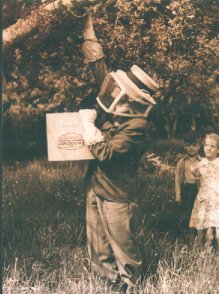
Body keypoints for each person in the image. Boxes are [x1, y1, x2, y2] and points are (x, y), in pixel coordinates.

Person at [80, 14, 159, 292]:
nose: (114, 90)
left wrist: (88, 125)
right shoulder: (116, 104)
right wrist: (89, 35)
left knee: (121, 240)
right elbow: (99, 69)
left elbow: (106, 153)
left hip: (117, 191)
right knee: (98, 239)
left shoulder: (138, 125)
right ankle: (109, 281)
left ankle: (132, 282)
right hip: (97, 185)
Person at [190, 133, 219, 247]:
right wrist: (203, 196)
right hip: (205, 199)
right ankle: (207, 257)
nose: (208, 148)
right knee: (206, 231)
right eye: (206, 145)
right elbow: (199, 185)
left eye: (212, 146)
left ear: (218, 150)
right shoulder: (198, 166)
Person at [174, 132, 201, 240]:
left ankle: (198, 236)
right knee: (187, 213)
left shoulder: (203, 162)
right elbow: (178, 179)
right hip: (187, 190)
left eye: (194, 145)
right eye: (188, 145)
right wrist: (178, 195)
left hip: (199, 190)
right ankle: (188, 236)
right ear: (184, 146)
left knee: (198, 213)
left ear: (199, 146)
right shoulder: (182, 162)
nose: (191, 148)